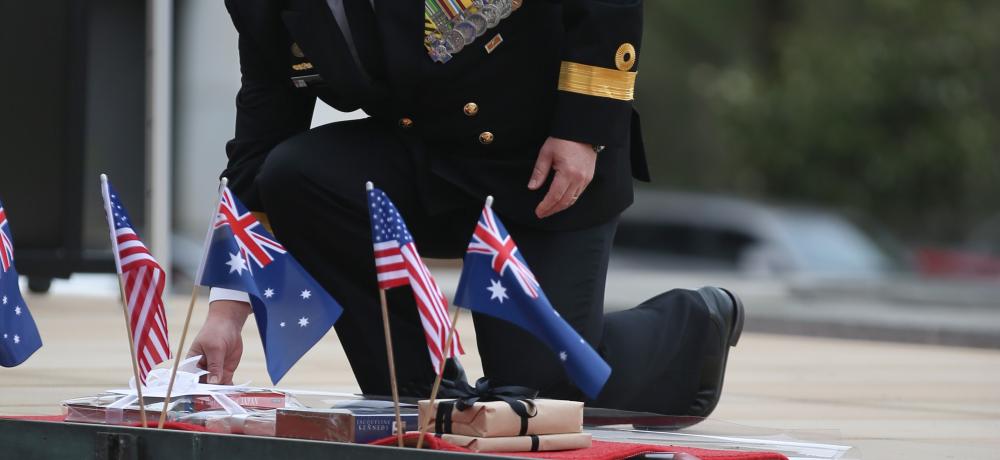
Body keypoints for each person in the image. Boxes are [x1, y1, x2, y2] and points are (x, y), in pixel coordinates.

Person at [188, 0, 745, 417]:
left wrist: (584, 130)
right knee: (292, 175)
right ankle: (419, 389)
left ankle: (695, 324)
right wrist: (228, 306)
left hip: (543, 166)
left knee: (537, 395)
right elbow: (265, 119)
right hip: (425, 165)